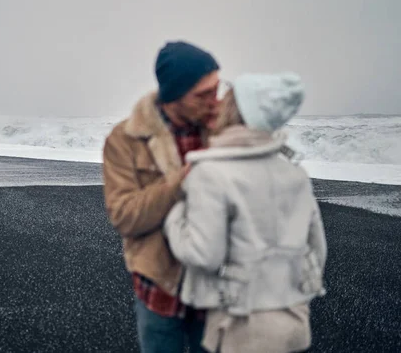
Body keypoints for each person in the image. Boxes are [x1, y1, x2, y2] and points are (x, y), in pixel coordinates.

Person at [163, 73, 327, 353]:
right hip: (294, 325)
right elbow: (317, 250)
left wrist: (174, 216)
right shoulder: (295, 174)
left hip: (241, 330)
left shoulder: (211, 174)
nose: (218, 102)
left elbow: (204, 255)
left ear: (235, 110)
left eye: (227, 97)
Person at [103, 41, 222, 352]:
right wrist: (181, 181)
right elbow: (124, 216)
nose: (215, 100)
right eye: (203, 94)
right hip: (158, 285)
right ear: (174, 96)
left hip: (215, 283)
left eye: (217, 89)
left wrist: (231, 137)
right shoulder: (125, 139)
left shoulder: (222, 130)